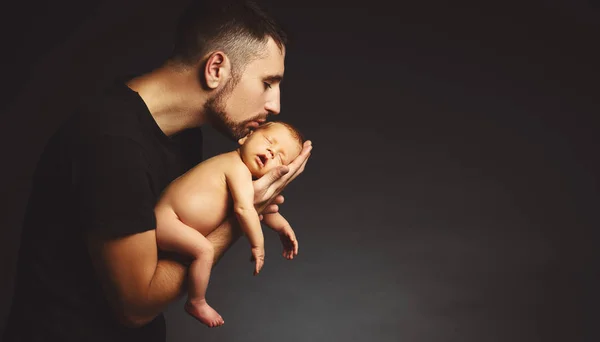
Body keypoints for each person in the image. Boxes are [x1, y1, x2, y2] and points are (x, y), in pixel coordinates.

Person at [3, 1, 312, 342]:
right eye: (268, 82)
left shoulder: (180, 135)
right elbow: (136, 305)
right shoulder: (111, 139)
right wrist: (243, 214)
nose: (275, 106)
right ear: (215, 68)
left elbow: (168, 250)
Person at [156, 121, 303, 327]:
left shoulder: (244, 178)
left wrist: (283, 228)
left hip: (173, 223)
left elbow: (259, 209)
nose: (271, 151)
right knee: (205, 251)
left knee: (201, 250)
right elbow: (244, 209)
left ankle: (194, 300)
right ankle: (196, 302)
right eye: (269, 141)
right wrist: (257, 245)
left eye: (280, 157)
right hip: (166, 221)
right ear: (246, 137)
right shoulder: (235, 166)